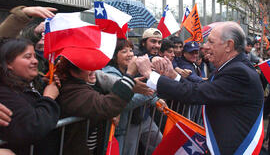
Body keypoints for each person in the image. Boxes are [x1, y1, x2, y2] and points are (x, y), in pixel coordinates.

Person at [136, 21, 264, 154]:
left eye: (211, 42)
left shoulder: (238, 72)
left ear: (228, 45)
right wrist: (173, 75)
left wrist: (149, 74)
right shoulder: (233, 66)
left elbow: (195, 93)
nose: (204, 47)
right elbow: (203, 88)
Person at [55, 56, 141, 155]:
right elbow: (106, 106)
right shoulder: (71, 91)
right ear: (73, 71)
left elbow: (101, 101)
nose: (94, 69)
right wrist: (129, 76)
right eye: (87, 66)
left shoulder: (86, 85)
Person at [103, 39, 163, 155]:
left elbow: (140, 89)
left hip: (132, 122)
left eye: (131, 50)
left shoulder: (130, 70)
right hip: (116, 129)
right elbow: (125, 102)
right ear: (114, 55)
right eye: (124, 51)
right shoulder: (110, 73)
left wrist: (154, 99)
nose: (130, 54)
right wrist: (152, 91)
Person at [0, 38, 60, 155]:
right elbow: (32, 127)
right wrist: (48, 98)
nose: (35, 61)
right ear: (8, 63)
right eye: (27, 57)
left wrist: (50, 85)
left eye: (34, 56)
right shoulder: (4, 93)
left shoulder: (34, 83)